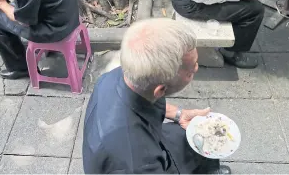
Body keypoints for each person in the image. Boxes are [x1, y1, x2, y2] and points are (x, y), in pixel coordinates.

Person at [83, 18, 231, 174]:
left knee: (200, 135)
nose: (197, 67)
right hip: (134, 158)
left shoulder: (117, 76)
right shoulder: (138, 162)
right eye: (191, 70)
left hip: (145, 138)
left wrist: (179, 114)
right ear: (160, 91)